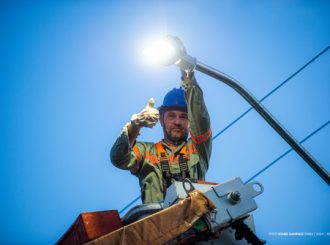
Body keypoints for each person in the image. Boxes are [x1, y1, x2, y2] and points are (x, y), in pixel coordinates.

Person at [110, 69, 212, 204]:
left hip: (196, 220)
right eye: (171, 116)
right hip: (159, 222)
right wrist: (135, 125)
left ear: (190, 121)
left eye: (183, 117)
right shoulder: (146, 151)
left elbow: (201, 118)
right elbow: (119, 159)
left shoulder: (197, 148)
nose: (177, 121)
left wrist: (189, 78)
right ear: (162, 120)